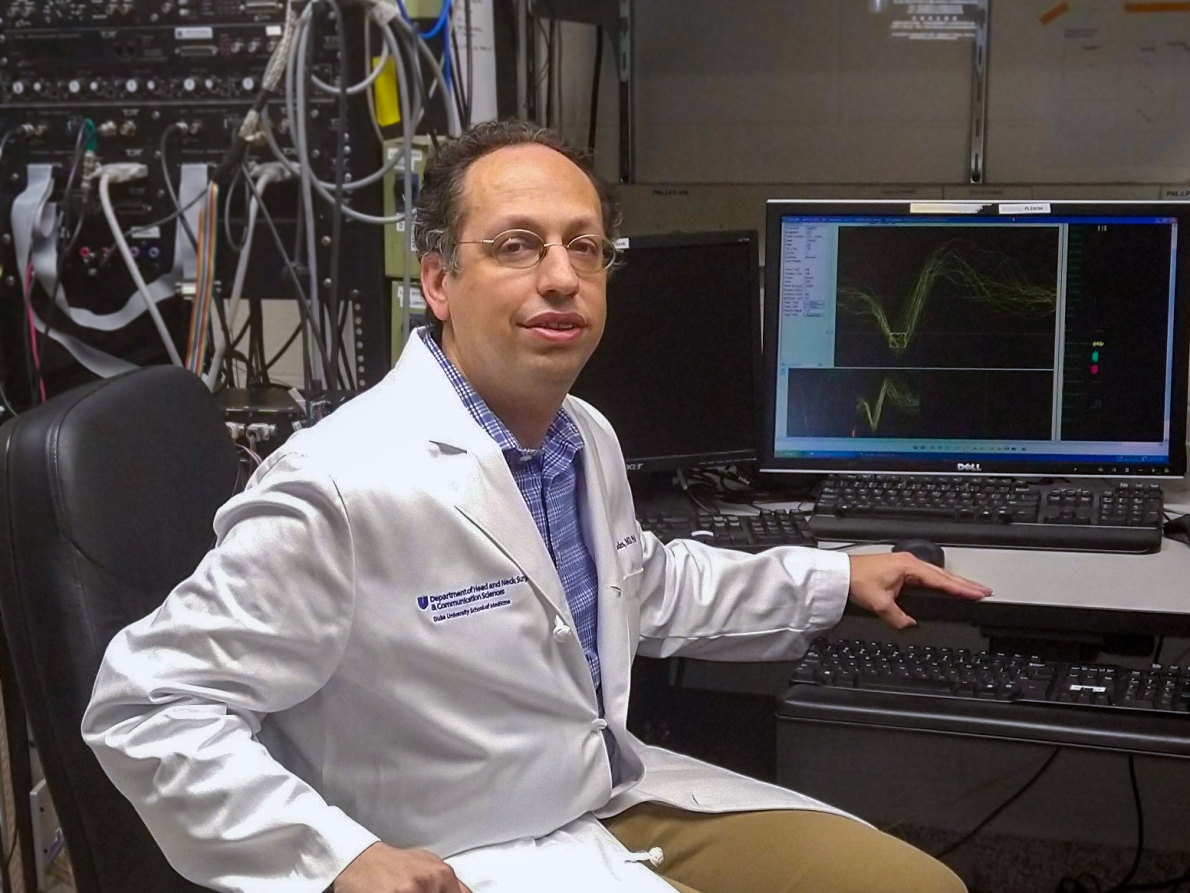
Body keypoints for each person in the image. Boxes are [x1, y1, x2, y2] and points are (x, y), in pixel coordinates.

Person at [82, 120, 991, 893]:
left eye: (584, 246)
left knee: (922, 886)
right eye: (517, 246)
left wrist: (834, 576)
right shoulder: (339, 482)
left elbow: (641, 582)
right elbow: (148, 703)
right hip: (460, 855)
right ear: (438, 281)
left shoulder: (578, 433)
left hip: (604, 797)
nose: (560, 276)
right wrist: (338, 855)